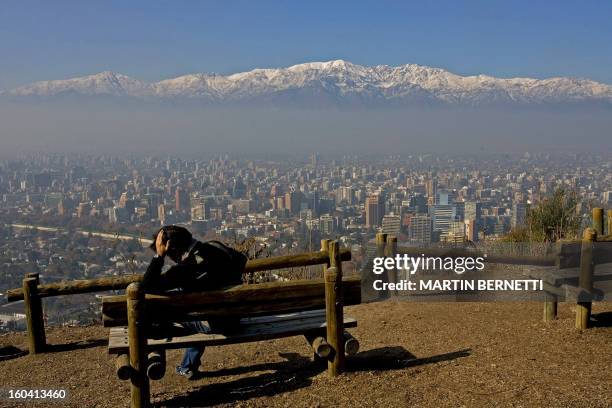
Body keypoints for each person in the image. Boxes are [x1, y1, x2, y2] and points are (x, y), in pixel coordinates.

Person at [142, 225, 247, 380]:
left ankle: (156, 356)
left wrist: (159, 256)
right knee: (199, 311)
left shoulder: (185, 269)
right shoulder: (216, 247)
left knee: (157, 311)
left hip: (216, 323)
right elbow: (242, 259)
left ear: (173, 249)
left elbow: (147, 287)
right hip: (235, 318)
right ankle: (187, 366)